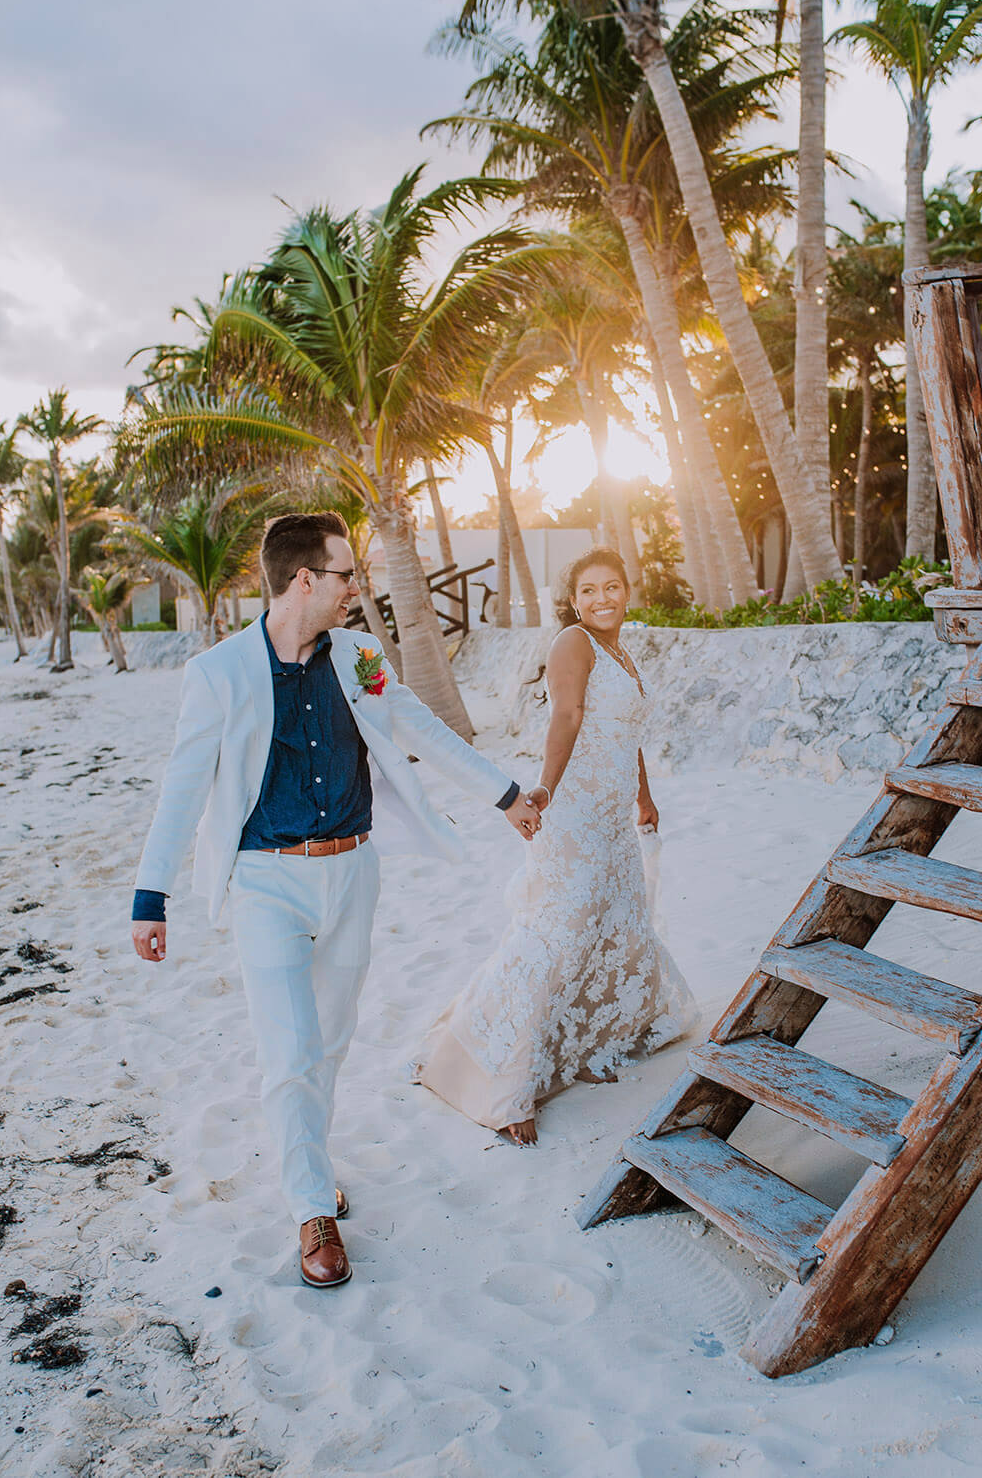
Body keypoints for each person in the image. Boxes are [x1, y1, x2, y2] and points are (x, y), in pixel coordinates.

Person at [131, 512, 540, 1288]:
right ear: (304, 580)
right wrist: (149, 898)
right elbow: (182, 791)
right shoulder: (217, 674)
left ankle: (307, 1166)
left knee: (329, 1043)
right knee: (288, 1050)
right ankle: (311, 1208)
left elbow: (422, 728)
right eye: (348, 573)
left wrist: (507, 794)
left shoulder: (357, 658)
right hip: (264, 882)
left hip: (353, 874)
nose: (360, 586)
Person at [414, 547, 696, 1145]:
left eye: (612, 587)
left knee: (618, 923)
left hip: (613, 819)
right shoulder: (574, 642)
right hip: (574, 814)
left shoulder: (619, 648)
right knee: (557, 934)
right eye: (589, 590)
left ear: (628, 590)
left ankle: (610, 1033)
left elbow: (625, 734)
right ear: (573, 599)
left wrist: (642, 796)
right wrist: (544, 787)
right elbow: (565, 717)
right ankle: (504, 1085)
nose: (602, 599)